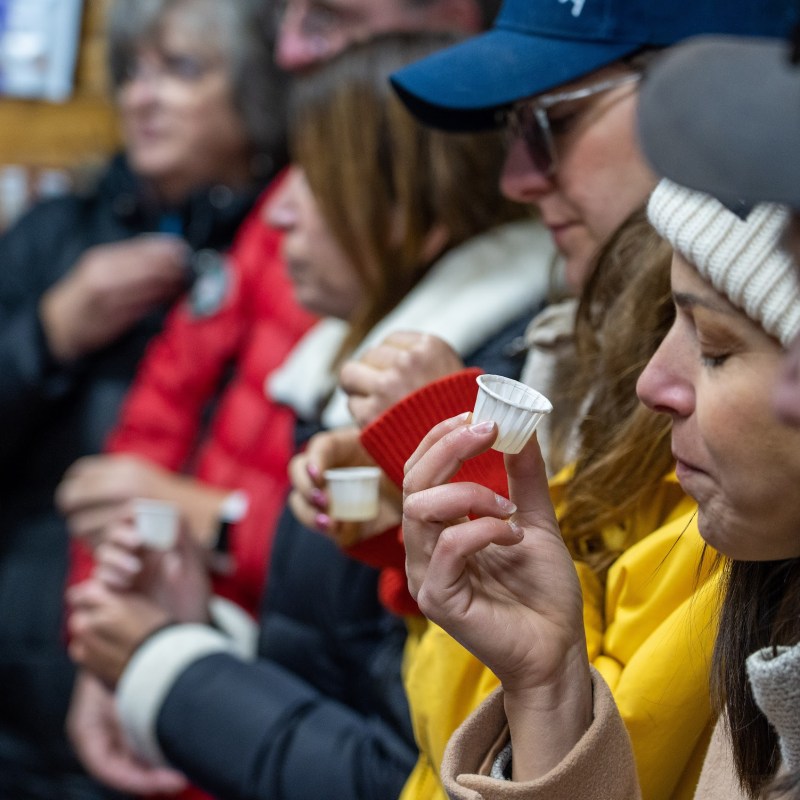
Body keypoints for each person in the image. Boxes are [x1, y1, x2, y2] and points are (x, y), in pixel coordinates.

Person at [284, 3, 796, 799]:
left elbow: (636, 732)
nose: (515, 177)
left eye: (551, 122)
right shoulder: (577, 341)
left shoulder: (743, 480)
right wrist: (418, 531)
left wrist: (166, 676)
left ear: (701, 86)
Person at [66, 31, 551, 800]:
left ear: (411, 210)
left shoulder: (468, 404)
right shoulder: (348, 365)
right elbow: (333, 668)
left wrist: (168, 664)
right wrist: (203, 627)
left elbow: (400, 772)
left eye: (318, 176)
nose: (280, 211)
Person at [401, 180, 800, 799]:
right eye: (670, 322)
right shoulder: (774, 605)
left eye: (716, 347)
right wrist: (549, 686)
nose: (652, 383)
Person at [0, 0, 283, 797]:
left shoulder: (287, 251)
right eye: (131, 72)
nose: (141, 96)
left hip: (189, 684)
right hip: (21, 688)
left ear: (256, 94)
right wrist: (49, 331)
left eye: (182, 70)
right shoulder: (59, 234)